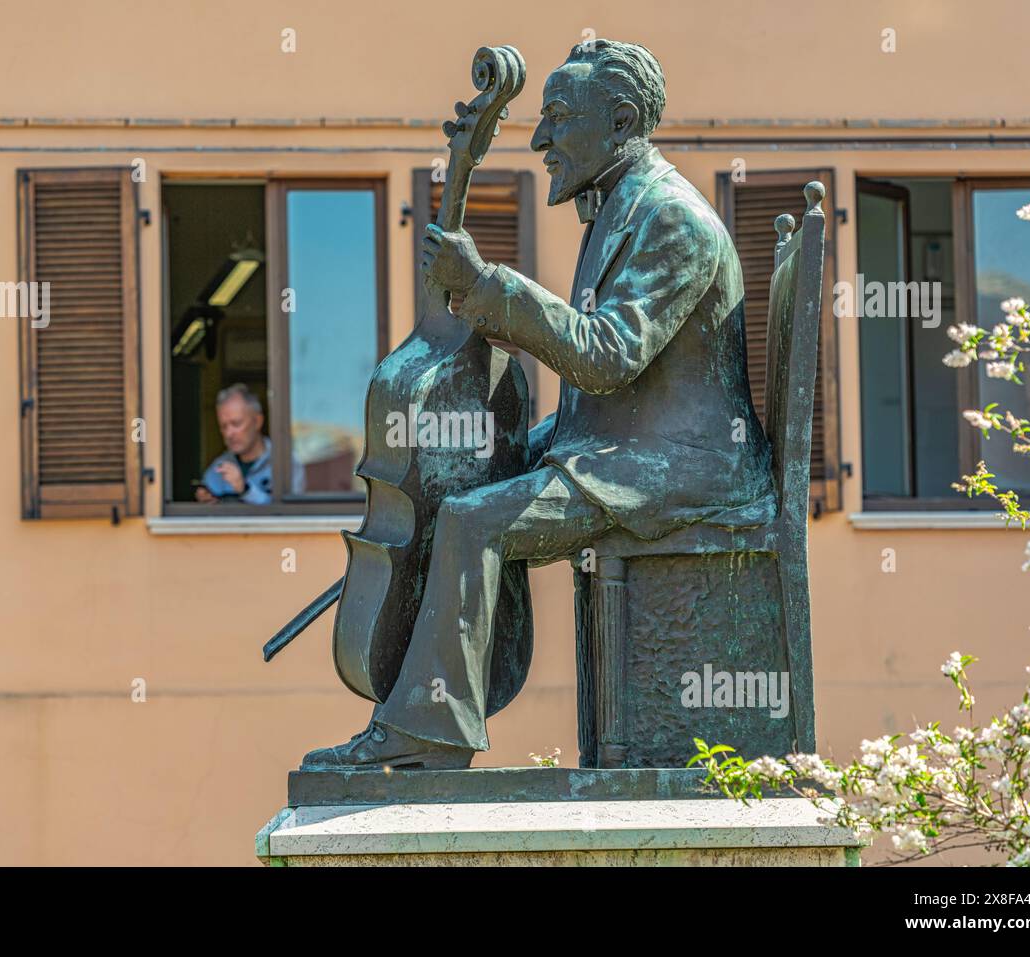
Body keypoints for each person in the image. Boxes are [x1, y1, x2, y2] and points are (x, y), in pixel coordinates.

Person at [301, 39, 774, 770]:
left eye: (558, 116)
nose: (542, 138)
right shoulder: (620, 207)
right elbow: (602, 391)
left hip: (690, 467)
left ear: (620, 123)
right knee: (475, 493)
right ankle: (427, 717)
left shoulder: (673, 220)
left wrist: (489, 286)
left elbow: (608, 356)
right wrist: (518, 448)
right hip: (636, 448)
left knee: (470, 519)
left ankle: (429, 730)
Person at [195, 384, 304, 505]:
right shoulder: (218, 467)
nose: (229, 433)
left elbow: (291, 515)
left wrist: (246, 490)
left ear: (258, 421)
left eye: (236, 424)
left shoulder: (286, 463)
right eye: (223, 426)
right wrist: (205, 501)